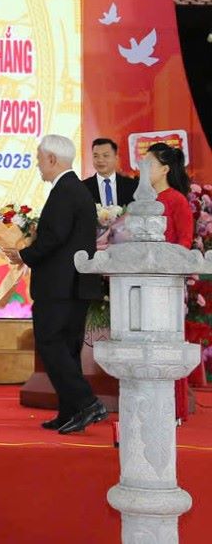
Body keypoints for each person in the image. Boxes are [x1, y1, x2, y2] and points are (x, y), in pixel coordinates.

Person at [5, 134, 104, 434]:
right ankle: (70, 412)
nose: (38, 165)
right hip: (74, 285)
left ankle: (87, 403)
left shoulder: (65, 190)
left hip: (59, 287)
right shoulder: (75, 189)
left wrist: (23, 254)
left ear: (51, 159)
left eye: (39, 159)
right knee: (67, 349)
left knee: (51, 345)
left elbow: (53, 237)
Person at [146, 142, 195, 423]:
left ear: (165, 169)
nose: (142, 170)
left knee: (168, 348)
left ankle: (174, 410)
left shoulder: (176, 200)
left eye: (148, 164)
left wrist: (165, 264)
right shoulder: (144, 201)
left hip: (168, 285)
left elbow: (184, 243)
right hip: (143, 284)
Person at [83, 138, 138, 207]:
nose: (100, 160)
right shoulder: (82, 188)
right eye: (96, 156)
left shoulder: (132, 185)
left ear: (116, 158)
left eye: (105, 155)